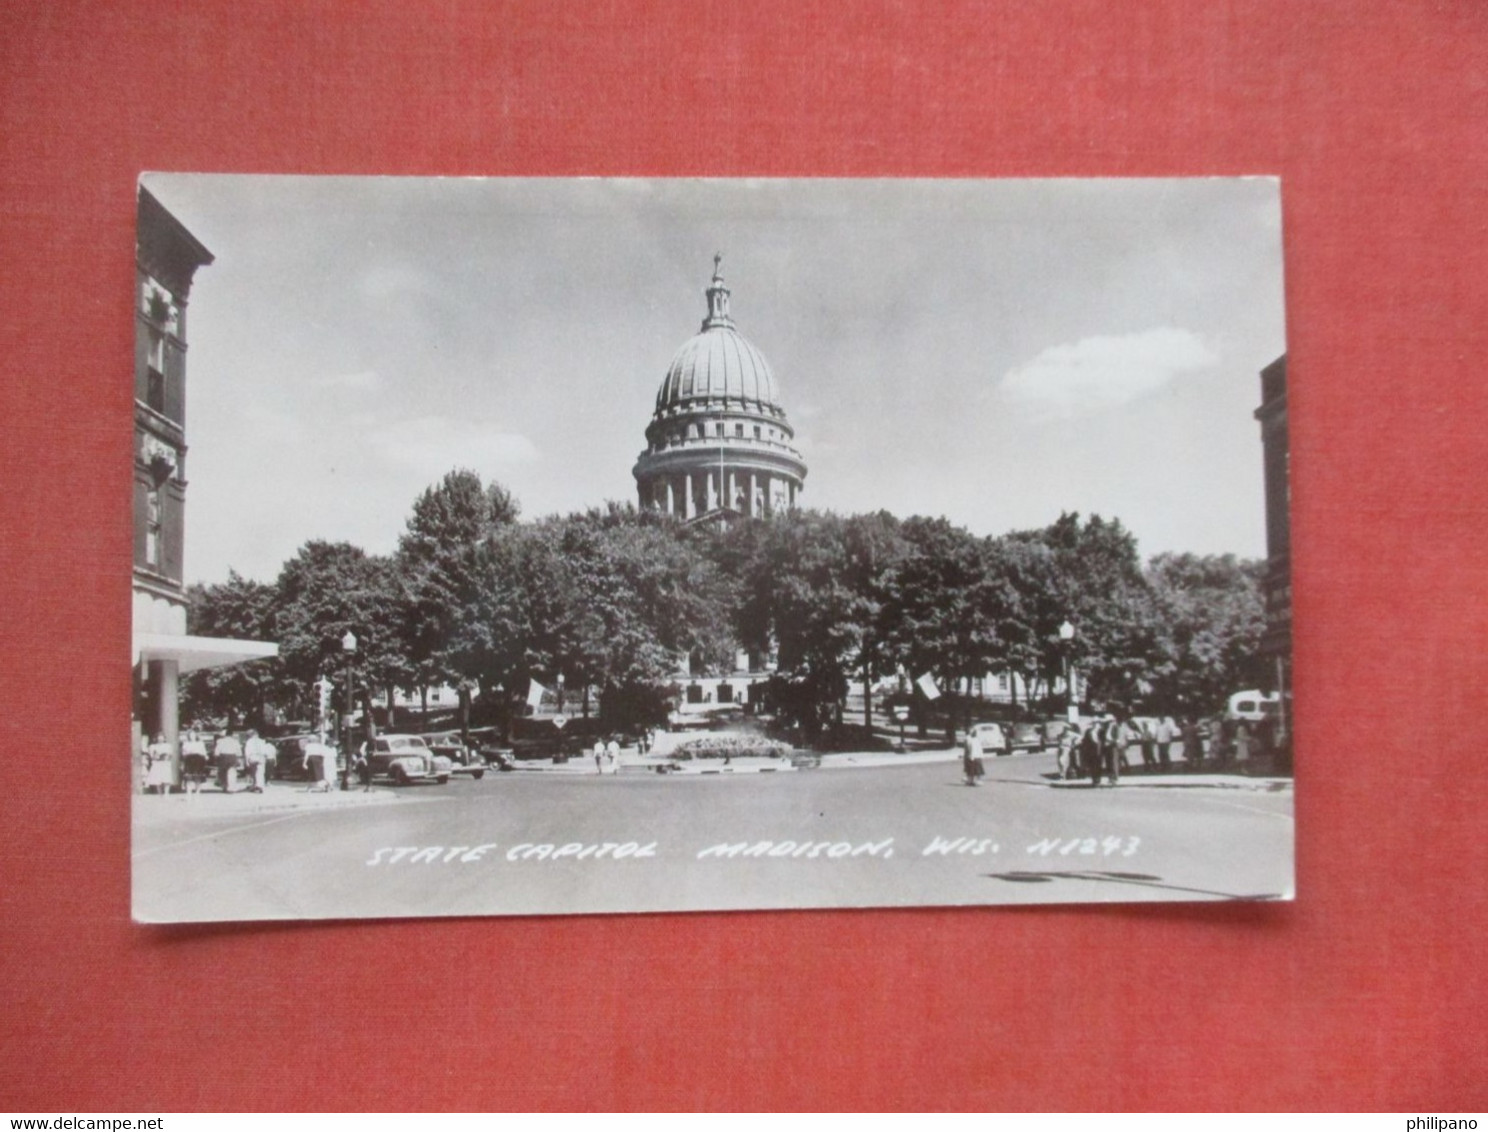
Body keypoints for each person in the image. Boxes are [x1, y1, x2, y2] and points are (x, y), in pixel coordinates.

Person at [180, 728, 208, 795]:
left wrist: (205, 757)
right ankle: (189, 791)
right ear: (188, 736)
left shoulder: (200, 743)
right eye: (191, 735)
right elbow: (184, 753)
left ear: (196, 735)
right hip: (189, 760)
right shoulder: (186, 743)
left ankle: (197, 791)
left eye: (193, 735)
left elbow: (203, 752)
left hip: (199, 760)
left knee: (198, 776)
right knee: (188, 777)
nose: (192, 736)